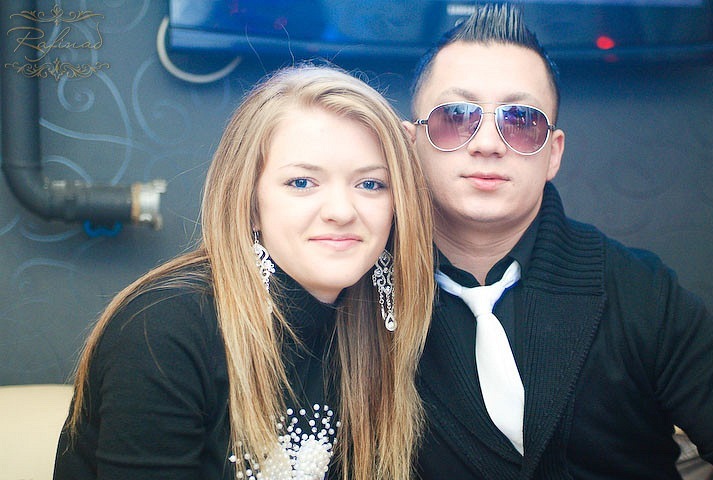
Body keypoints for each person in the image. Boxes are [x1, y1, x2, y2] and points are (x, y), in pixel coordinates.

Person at [53, 63, 435, 480]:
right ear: (250, 204)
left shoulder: (381, 326)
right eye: (302, 183)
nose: (342, 212)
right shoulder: (164, 328)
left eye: (371, 184)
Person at [403, 3, 713, 479]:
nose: (487, 143)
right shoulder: (358, 293)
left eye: (521, 121)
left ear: (553, 153)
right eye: (456, 116)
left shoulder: (642, 292)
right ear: (411, 143)